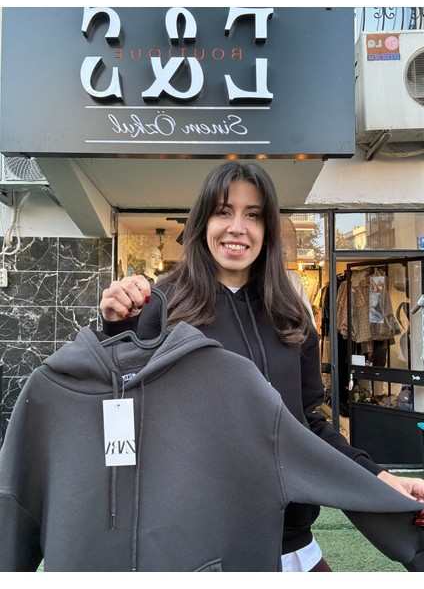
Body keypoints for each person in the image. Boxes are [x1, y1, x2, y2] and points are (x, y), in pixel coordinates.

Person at [100, 160, 424, 572]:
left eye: (253, 215)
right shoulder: (160, 310)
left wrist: (379, 477)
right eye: (223, 211)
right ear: (202, 222)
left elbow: (308, 425)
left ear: (267, 228)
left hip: (290, 544)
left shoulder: (291, 317)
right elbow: (119, 412)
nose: (238, 227)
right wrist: (117, 328)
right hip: (193, 547)